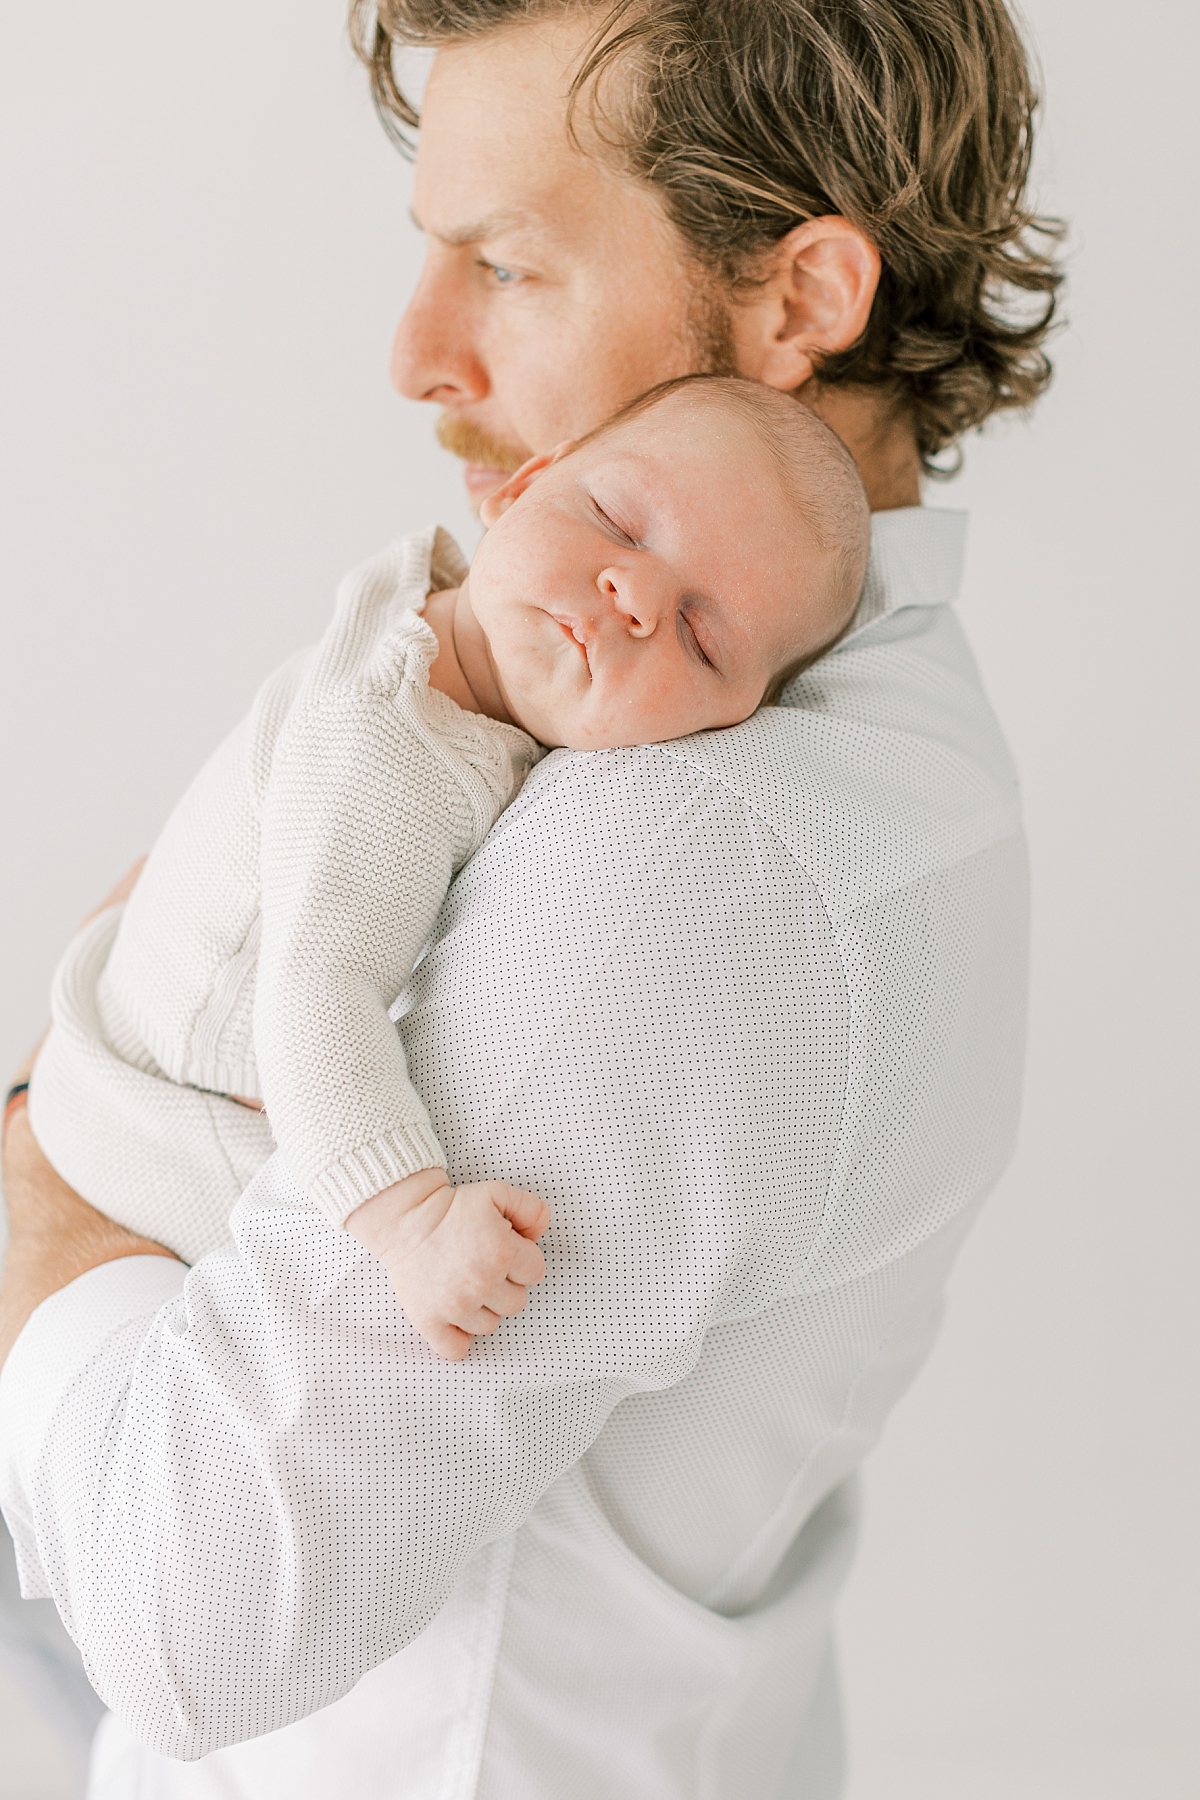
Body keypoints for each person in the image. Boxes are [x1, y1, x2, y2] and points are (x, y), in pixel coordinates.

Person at [0, 2, 1062, 1795]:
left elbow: (185, 1616)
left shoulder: (685, 856)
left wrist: (33, 1169)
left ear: (802, 298)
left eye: (505, 262)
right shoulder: (880, 727)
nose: (416, 356)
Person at [28, 380, 869, 1358]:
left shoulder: (437, 625)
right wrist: (411, 1222)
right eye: (617, 519)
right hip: (156, 1133)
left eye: (702, 636)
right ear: (520, 487)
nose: (636, 596)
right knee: (326, 1327)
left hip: (125, 1063)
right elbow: (314, 1002)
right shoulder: (391, 753)